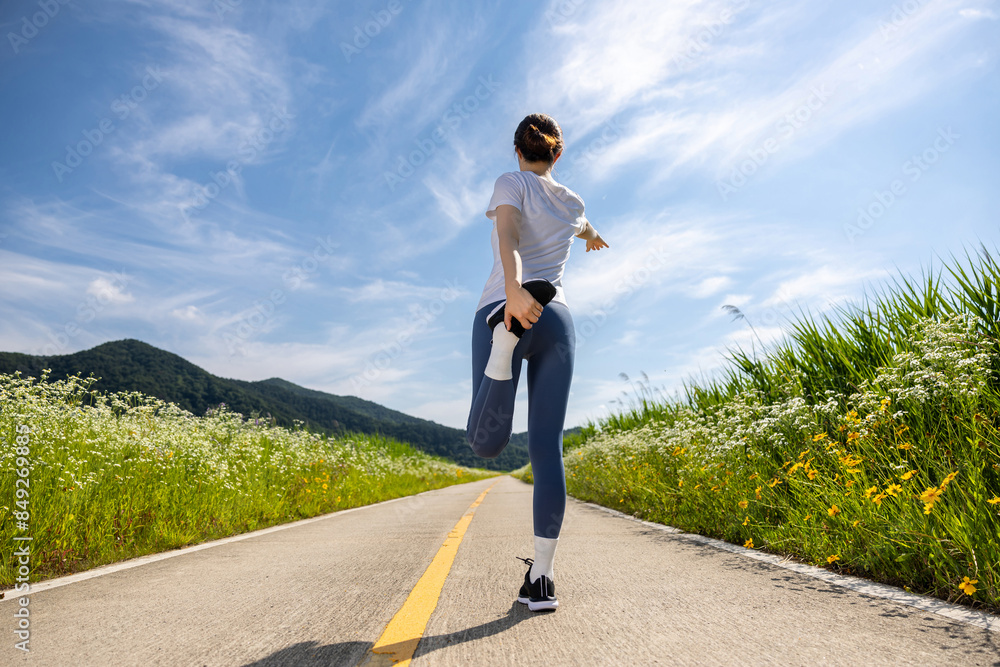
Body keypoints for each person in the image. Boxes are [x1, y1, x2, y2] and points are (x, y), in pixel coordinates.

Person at [465, 113, 609, 612]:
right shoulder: (573, 201)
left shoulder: (511, 183)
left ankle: (503, 351)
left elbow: (507, 236)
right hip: (557, 319)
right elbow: (584, 223)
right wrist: (592, 235)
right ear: (559, 154)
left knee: (485, 442)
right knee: (547, 450)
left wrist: (511, 294)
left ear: (517, 151)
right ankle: (543, 580)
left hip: (504, 310)